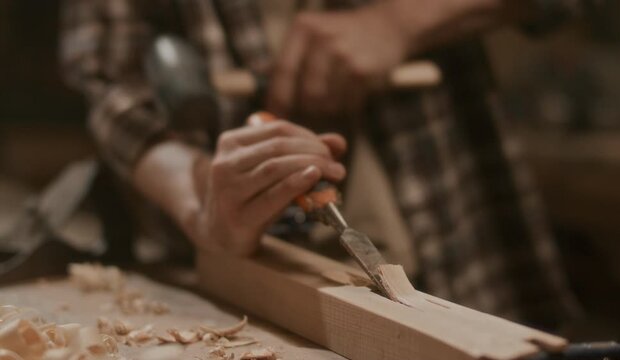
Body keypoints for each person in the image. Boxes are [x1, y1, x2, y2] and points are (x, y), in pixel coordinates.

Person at [60, 0, 584, 329]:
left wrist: (401, 18)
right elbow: (110, 80)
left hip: (456, 231)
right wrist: (198, 190)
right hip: (247, 279)